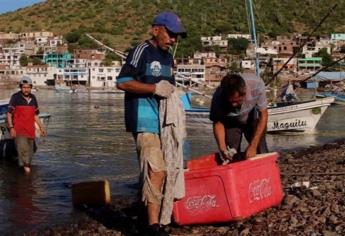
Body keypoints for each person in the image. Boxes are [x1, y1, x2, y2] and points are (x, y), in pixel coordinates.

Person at [116, 11, 186, 235]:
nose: (174, 40)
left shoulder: (168, 57)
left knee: (162, 169)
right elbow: (123, 82)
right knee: (157, 170)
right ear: (156, 29)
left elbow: (169, 90)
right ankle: (152, 226)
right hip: (144, 119)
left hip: (165, 122)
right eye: (171, 34)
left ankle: (146, 212)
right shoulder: (141, 51)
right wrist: (154, 88)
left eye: (177, 36)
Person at [210, 73, 268, 162]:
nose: (233, 105)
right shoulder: (218, 97)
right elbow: (218, 123)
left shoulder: (256, 84)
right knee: (232, 154)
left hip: (251, 118)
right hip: (231, 121)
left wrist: (253, 145)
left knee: (261, 149)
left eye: (237, 101)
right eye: (231, 101)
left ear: (244, 93)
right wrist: (222, 148)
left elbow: (263, 115)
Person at [7, 76, 47, 174]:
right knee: (24, 151)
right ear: (21, 87)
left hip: (30, 130)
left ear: (31, 87)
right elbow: (9, 114)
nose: (26, 89)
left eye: (28, 87)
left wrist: (42, 127)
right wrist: (11, 127)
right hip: (19, 130)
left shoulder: (33, 98)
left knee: (31, 151)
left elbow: (35, 115)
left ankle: (24, 169)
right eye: (24, 87)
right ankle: (27, 175)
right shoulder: (15, 97)